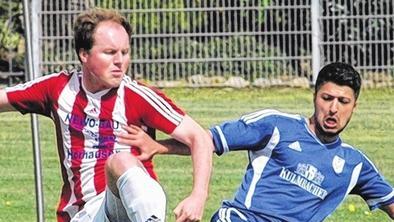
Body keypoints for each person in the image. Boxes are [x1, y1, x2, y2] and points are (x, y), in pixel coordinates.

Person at [0, 8, 213, 222]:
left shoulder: (138, 96)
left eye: (125, 52)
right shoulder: (57, 89)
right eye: (110, 53)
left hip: (134, 209)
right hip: (84, 215)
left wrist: (198, 196)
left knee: (120, 161)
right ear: (84, 54)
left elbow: (200, 139)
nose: (120, 61)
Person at [116, 62, 394, 221]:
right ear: (315, 97)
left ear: (354, 106)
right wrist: (159, 146)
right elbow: (208, 140)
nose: (333, 109)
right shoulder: (276, 125)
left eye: (343, 102)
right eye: (327, 98)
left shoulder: (355, 165)